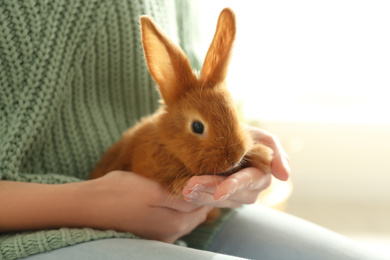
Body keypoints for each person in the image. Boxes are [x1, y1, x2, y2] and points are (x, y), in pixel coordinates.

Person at [0, 1, 385, 259]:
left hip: (176, 216)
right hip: (30, 226)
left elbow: (196, 84)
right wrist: (92, 202)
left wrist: (241, 155)